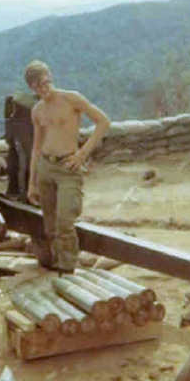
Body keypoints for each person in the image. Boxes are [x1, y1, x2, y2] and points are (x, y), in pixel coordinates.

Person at [25, 60, 110, 273]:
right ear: (31, 88)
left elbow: (103, 122)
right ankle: (56, 267)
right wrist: (31, 183)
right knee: (50, 225)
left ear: (50, 78)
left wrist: (82, 154)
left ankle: (68, 269)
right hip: (46, 166)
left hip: (68, 167)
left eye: (45, 83)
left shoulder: (71, 99)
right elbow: (36, 147)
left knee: (65, 222)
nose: (43, 90)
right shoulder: (37, 110)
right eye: (37, 87)